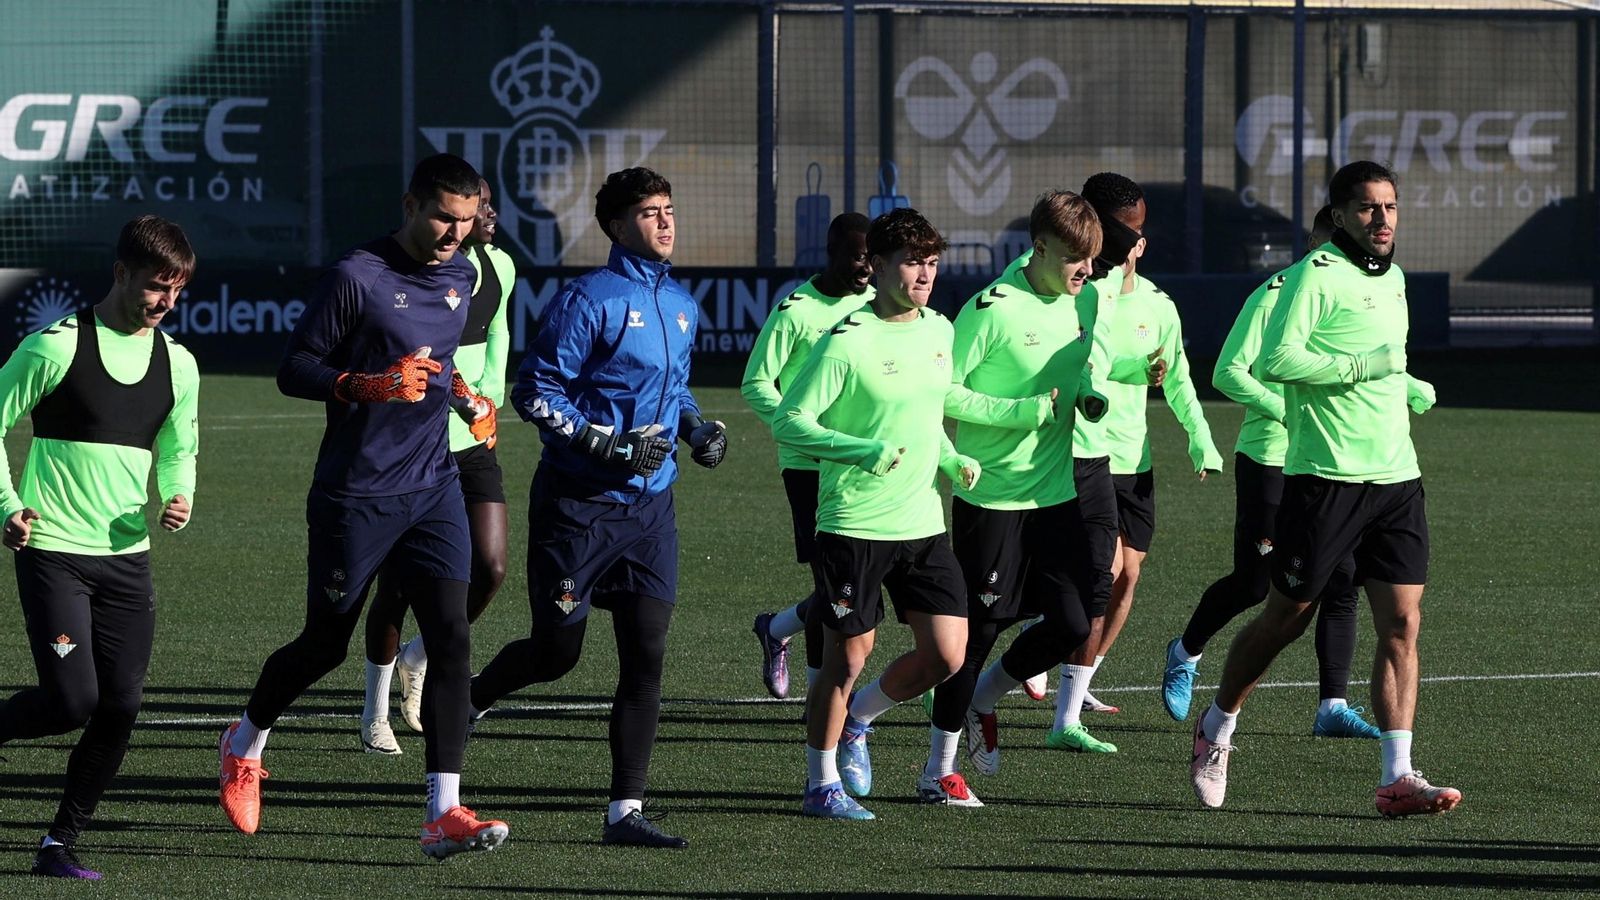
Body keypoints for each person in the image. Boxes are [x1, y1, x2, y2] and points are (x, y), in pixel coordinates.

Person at [217, 153, 507, 859]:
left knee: (450, 637)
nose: (454, 234)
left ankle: (444, 809)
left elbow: (437, 358)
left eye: (466, 222)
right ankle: (245, 738)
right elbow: (295, 368)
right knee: (325, 644)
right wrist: (369, 386)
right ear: (409, 205)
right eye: (443, 216)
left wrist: (465, 396)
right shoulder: (357, 276)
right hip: (357, 493)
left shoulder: (465, 274)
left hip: (433, 483)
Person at [1189, 160, 1460, 818]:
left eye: (1391, 207)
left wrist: (1403, 384)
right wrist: (1363, 367)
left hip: (1396, 477)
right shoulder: (1313, 276)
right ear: (1338, 215)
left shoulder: (1393, 279)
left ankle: (1397, 776)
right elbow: (1278, 360)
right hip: (1325, 480)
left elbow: (1386, 362)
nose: (1383, 219)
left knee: (1402, 623)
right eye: (1368, 208)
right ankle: (1216, 728)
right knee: (1287, 615)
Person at [470, 167, 726, 850]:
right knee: (557, 654)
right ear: (614, 226)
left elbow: (676, 394)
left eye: (669, 209)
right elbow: (536, 391)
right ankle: (468, 699)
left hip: (650, 514)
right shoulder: (587, 299)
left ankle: (624, 814)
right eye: (649, 213)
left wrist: (696, 429)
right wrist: (607, 447)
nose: (666, 222)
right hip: (578, 507)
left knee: (646, 657)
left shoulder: (680, 303)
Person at [773, 207, 1054, 820]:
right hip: (853, 522)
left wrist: (952, 458)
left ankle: (859, 722)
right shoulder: (847, 340)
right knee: (847, 656)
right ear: (876, 267)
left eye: (932, 261)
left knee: (949, 654)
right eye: (911, 261)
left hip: (923, 522)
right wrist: (862, 449)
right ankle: (821, 783)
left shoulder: (938, 329)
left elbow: (935, 403)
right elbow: (790, 419)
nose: (925, 273)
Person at [0, 215, 199, 880]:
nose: (166, 302)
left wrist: (179, 493)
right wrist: (7, 505)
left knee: (121, 705)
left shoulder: (179, 363)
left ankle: (58, 843)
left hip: (126, 560)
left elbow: (179, 447)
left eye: (177, 291)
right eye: (155, 287)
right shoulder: (54, 348)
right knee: (71, 701)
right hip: (52, 550)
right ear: (121, 273)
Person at [1160, 206, 1388, 741]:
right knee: (1255, 583)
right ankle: (1186, 650)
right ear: (1318, 240)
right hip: (1271, 457)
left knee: (1342, 580)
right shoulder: (1276, 292)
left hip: (1334, 459)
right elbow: (1227, 372)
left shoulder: (1362, 293)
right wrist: (1287, 411)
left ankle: (1332, 704)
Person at [922, 190, 1112, 802]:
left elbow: (1081, 368)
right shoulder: (991, 310)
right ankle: (937, 770)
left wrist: (1088, 391)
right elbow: (943, 393)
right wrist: (1023, 412)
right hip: (994, 498)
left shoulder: (1082, 301)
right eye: (1074, 261)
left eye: (1092, 261)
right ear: (1039, 247)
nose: (1085, 273)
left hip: (1055, 494)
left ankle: (987, 697)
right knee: (975, 633)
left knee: (1074, 622)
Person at [1043, 173, 1222, 733]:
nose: (1137, 240)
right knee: (1102, 569)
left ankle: (1082, 674)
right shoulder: (1076, 294)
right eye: (1130, 229)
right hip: (1082, 451)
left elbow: (1180, 381)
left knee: (1128, 577)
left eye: (1141, 231)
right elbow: (1087, 366)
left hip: (1134, 460)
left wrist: (1202, 440)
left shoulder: (1160, 306)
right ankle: (1039, 661)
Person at [360, 178, 513, 752]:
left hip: (474, 439)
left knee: (492, 567)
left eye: (485, 207)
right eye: (472, 210)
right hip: (414, 443)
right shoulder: (408, 271)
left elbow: (498, 338)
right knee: (397, 587)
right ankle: (374, 713)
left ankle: (419, 654)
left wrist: (488, 403)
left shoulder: (499, 267)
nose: (485, 218)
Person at [744, 213, 873, 701]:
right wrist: (801, 431)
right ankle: (821, 703)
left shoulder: (876, 303)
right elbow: (756, 382)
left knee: (852, 584)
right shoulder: (796, 309)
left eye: (872, 258)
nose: (866, 269)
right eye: (858, 256)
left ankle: (776, 628)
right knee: (832, 581)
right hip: (809, 466)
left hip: (862, 462)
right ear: (832, 251)